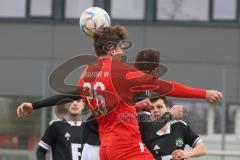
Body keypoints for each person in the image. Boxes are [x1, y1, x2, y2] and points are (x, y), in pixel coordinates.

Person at [17, 26, 222, 160]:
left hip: (106, 148)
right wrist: (204, 93)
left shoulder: (86, 73)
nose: (124, 52)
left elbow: (72, 95)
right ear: (113, 49)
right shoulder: (120, 71)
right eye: (121, 48)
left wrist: (34, 105)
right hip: (126, 146)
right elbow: (164, 87)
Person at [144, 95, 207, 160]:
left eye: (159, 107)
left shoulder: (180, 125)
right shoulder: (144, 132)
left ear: (167, 109)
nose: (155, 110)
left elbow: (202, 149)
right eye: (151, 108)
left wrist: (187, 154)